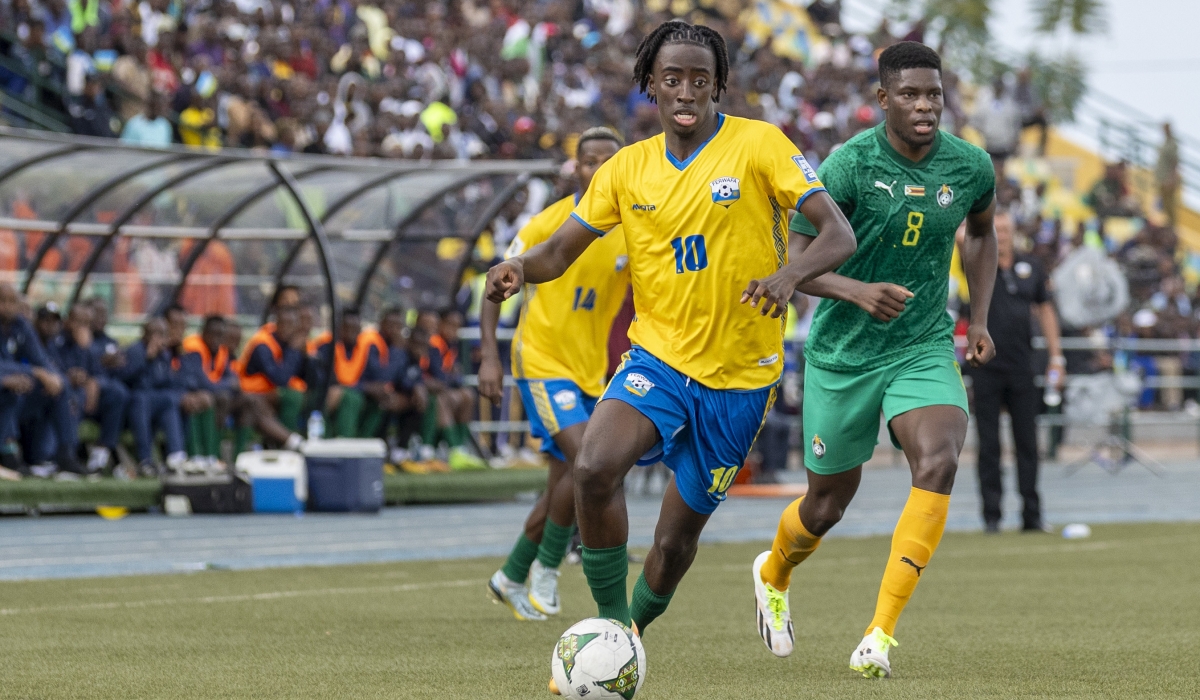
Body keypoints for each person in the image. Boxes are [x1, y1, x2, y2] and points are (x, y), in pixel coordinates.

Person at [485, 20, 855, 678]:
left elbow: (837, 234)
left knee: (674, 541)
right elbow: (559, 250)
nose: (686, 89)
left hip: (741, 380)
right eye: (673, 77)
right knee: (595, 468)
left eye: (700, 78)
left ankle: (630, 629)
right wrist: (520, 268)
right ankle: (606, 627)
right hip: (657, 359)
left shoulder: (760, 145)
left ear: (719, 86)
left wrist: (789, 276)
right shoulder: (626, 169)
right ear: (650, 85)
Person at [752, 42, 998, 678]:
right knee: (826, 505)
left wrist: (981, 317)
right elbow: (797, 267)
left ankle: (879, 636)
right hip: (843, 352)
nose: (925, 106)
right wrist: (858, 291)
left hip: (921, 344)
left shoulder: (969, 165)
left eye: (934, 94)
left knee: (939, 460)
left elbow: (981, 230)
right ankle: (773, 572)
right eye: (911, 95)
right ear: (883, 99)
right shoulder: (850, 164)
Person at [478, 126, 630, 622]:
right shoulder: (549, 222)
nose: (599, 169)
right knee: (589, 458)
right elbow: (497, 280)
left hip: (590, 372)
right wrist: (489, 355)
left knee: (566, 479)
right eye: (590, 160)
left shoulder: (633, 227)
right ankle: (547, 570)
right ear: (577, 167)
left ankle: (510, 576)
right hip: (542, 361)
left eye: (609, 160)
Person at [971, 212, 1061, 533]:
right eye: (998, 229)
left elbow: (1046, 310)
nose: (1003, 235)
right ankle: (992, 516)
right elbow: (956, 233)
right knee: (989, 445)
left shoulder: (1032, 266)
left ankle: (1032, 515)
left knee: (1027, 443)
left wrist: (1056, 358)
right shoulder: (976, 261)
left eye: (1007, 229)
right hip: (985, 367)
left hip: (1023, 366)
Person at [40, 302, 128, 474]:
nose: (82, 328)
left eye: (87, 323)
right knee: (72, 395)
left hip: (87, 397)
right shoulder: (57, 340)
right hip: (64, 394)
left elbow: (97, 372)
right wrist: (70, 376)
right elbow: (52, 369)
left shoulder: (89, 343)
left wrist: (93, 380)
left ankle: (101, 451)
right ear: (68, 321)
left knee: (117, 392)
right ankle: (67, 455)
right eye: (78, 322)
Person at [117, 317, 187, 476]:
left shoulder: (165, 355)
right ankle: (145, 459)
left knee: (169, 400)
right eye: (155, 333)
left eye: (163, 334)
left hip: (154, 402)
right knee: (141, 399)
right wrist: (146, 358)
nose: (159, 339)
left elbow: (168, 383)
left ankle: (176, 454)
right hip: (133, 403)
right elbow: (125, 377)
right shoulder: (135, 350)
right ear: (145, 334)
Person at [20, 302, 81, 477]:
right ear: (36, 322)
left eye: (54, 321)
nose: (50, 325)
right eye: (46, 321)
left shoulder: (53, 345)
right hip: (19, 396)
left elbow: (57, 373)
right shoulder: (25, 338)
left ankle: (63, 454)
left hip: (37, 397)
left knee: (66, 393)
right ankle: (52, 456)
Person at [235, 306, 306, 450]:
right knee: (290, 397)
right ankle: (288, 443)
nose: (287, 328)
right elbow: (280, 378)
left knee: (297, 396)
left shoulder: (289, 342)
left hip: (267, 396)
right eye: (284, 323)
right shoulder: (263, 343)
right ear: (276, 324)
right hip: (248, 392)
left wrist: (304, 355)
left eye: (291, 325)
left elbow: (306, 376)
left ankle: (287, 441)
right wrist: (293, 350)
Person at [315, 307, 389, 438]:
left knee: (382, 400)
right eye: (347, 328)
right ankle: (344, 442)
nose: (351, 332)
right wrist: (364, 387)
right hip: (328, 396)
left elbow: (376, 377)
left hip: (360, 396)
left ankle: (365, 442)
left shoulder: (367, 349)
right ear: (338, 328)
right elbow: (326, 381)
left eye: (355, 328)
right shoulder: (327, 346)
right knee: (350, 397)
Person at [179, 315, 238, 464]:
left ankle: (222, 457)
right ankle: (199, 455)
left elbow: (235, 382)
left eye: (220, 335)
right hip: (184, 393)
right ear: (203, 332)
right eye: (213, 334)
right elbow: (203, 384)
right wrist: (227, 384)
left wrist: (226, 384)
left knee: (241, 400)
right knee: (206, 399)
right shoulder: (194, 348)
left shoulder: (221, 351)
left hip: (211, 395)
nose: (216, 339)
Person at [1156, 122, 1180, 229]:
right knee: (1164, 203)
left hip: (1168, 178)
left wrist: (1171, 178)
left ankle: (1172, 226)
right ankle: (1168, 224)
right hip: (1162, 177)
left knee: (1170, 204)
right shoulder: (1165, 142)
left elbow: (1174, 162)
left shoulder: (1172, 143)